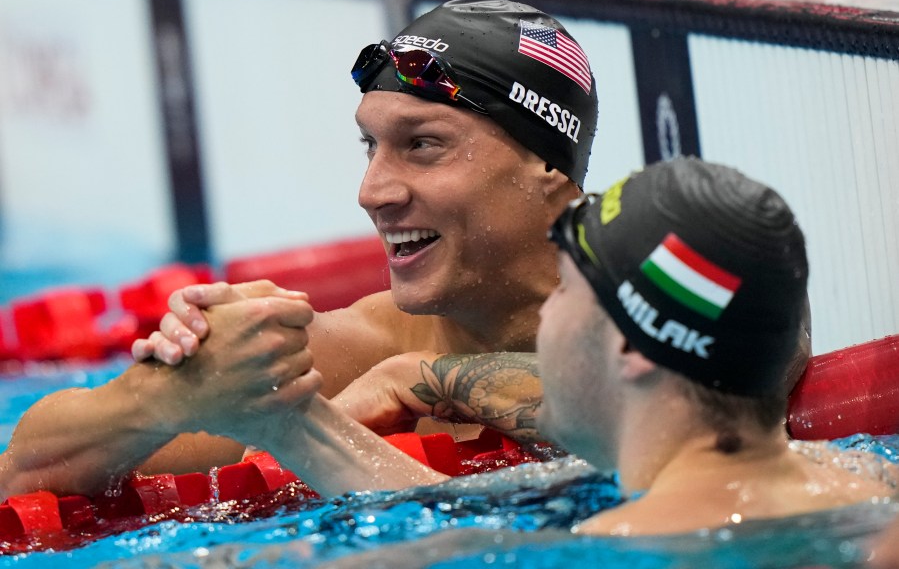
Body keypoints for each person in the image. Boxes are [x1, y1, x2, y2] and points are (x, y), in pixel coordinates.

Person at [0, 0, 598, 498]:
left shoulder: (646, 303)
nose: (373, 192)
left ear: (549, 164)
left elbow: (674, 397)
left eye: (422, 145)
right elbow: (24, 473)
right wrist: (172, 391)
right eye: (370, 147)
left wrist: (421, 377)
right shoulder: (335, 354)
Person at [178, 157, 896, 535]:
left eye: (564, 300)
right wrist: (292, 424)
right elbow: (458, 516)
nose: (541, 327)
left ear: (631, 350)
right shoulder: (861, 481)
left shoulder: (617, 548)